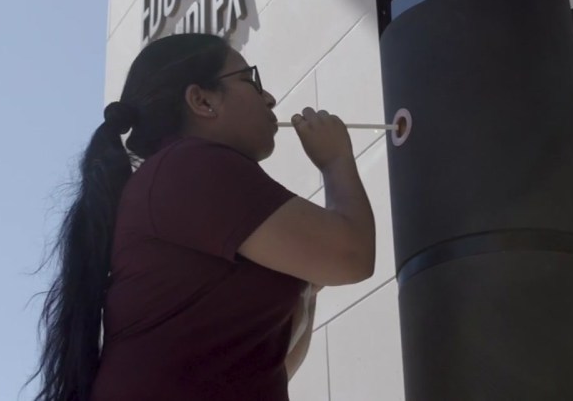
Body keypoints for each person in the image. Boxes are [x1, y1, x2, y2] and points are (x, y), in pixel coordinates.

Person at [31, 33, 377, 401]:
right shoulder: (190, 166)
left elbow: (263, 366)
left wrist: (306, 279)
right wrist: (336, 160)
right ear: (202, 100)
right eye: (250, 80)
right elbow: (352, 255)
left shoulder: (177, 176)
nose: (270, 98)